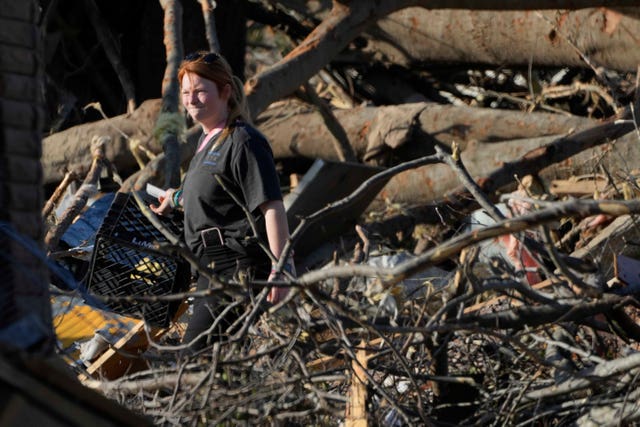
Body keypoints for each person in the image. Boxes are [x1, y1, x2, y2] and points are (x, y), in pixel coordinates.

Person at [150, 51, 295, 350]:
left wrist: (281, 269)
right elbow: (208, 194)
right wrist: (175, 198)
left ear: (225, 91)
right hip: (208, 266)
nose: (192, 100)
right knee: (222, 364)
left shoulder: (243, 141)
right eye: (187, 92)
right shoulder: (206, 141)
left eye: (201, 91)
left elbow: (272, 206)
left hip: (235, 265)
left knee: (195, 357)